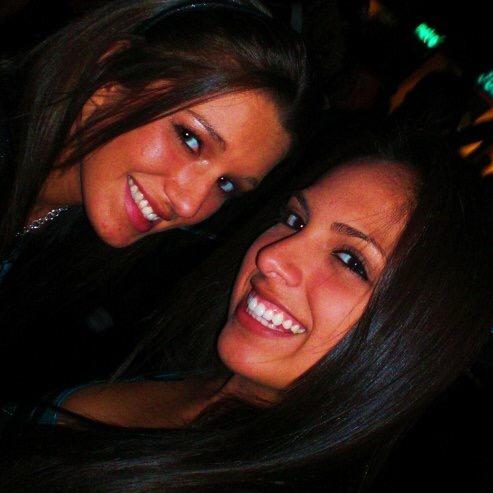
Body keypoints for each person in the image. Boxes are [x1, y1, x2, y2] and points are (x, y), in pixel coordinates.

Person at [1, 122, 491, 492]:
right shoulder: (196, 371)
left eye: (350, 260)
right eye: (295, 220)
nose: (272, 257)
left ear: (413, 340)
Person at [0, 0, 317, 398]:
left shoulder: (68, 239)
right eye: (190, 139)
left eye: (226, 185)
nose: (189, 205)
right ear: (108, 79)